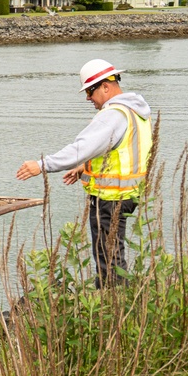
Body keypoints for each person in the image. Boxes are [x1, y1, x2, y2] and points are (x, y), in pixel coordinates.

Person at [16, 59, 152, 287]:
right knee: (113, 253)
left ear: (106, 86)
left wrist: (41, 165)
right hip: (129, 195)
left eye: (90, 91)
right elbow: (121, 149)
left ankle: (112, 307)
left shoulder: (113, 115)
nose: (88, 98)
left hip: (110, 198)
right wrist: (84, 168)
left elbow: (80, 148)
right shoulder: (136, 110)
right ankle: (122, 303)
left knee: (108, 259)